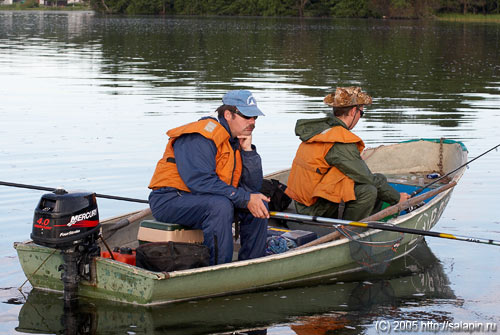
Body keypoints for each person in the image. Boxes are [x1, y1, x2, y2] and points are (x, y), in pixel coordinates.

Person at [148, 90, 270, 265]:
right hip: (170, 199)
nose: (252, 122)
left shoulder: (234, 140)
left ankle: (252, 265)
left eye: (255, 118)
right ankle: (217, 268)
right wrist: (243, 198)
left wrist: (248, 151)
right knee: (219, 206)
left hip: (205, 198)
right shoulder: (200, 136)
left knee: (259, 204)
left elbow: (252, 186)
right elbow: (200, 181)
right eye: (246, 116)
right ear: (228, 114)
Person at [285, 86, 410, 221]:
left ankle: (364, 219)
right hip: (312, 208)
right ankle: (349, 231)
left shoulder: (321, 130)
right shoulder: (340, 140)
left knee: (378, 179)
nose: (359, 118)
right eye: (361, 113)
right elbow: (366, 178)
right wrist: (397, 198)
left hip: (301, 201)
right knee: (369, 191)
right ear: (352, 112)